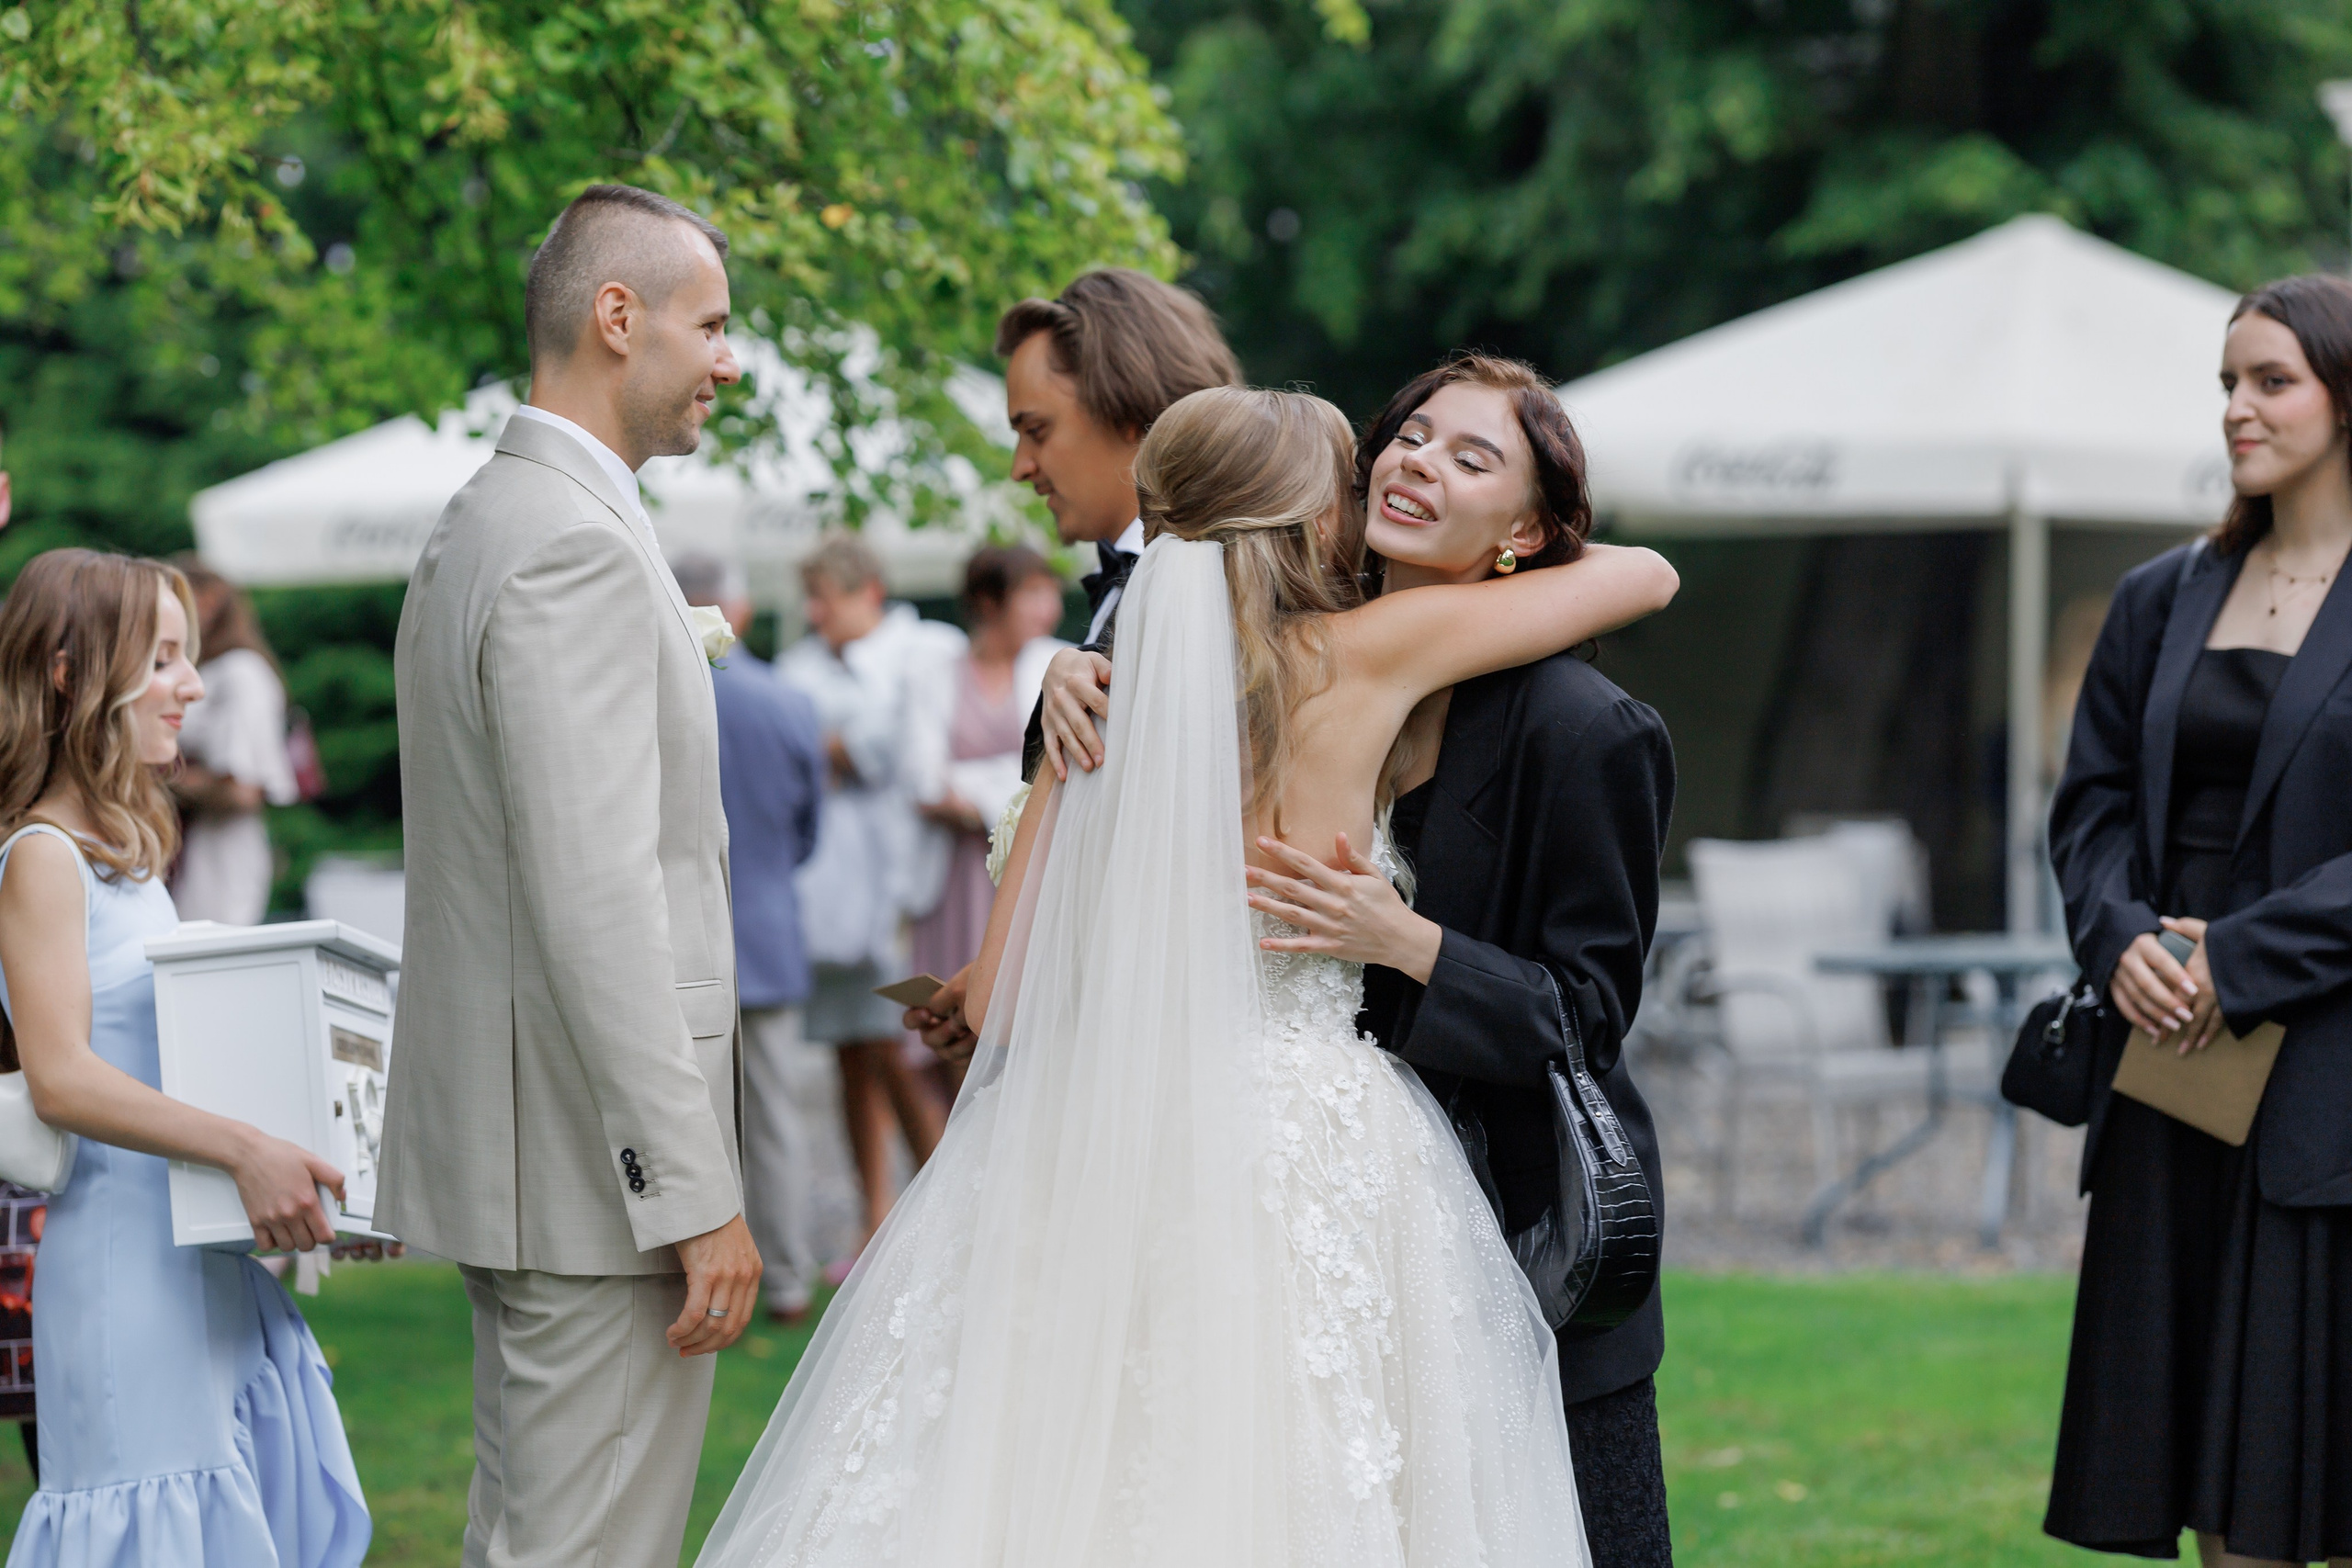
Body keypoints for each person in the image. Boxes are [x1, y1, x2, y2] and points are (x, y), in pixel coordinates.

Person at [693, 386, 1679, 1566]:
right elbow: (1644, 574)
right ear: (1316, 519)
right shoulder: (1363, 654)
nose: (1393, 476)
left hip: (1090, 1127)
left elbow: (994, 1001)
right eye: (1368, 468)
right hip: (1304, 1132)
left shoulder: (1096, 700)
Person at [1239, 354, 1677, 1568]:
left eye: (1471, 457)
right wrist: (1071, 675)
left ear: (1525, 534)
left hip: (1526, 1235)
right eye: (1412, 435)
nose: (1421, 462)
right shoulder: (1286, 665)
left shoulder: (1583, 732)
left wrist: (1406, 941)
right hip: (1324, 1236)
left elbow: (1588, 1015)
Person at [379, 184, 762, 1568]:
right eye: (710, 325)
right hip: (596, 1183)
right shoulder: (572, 544)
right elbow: (599, 900)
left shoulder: (490, 515)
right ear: (617, 316)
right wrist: (692, 1192)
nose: (730, 361)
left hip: (533, 1156)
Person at [2046, 273, 2352, 1568]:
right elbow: (2089, 804)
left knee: (2318, 1466)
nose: (2237, 407)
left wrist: (2244, 957)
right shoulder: (2160, 593)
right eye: (2227, 382)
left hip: (2332, 1080)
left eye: (2272, 380)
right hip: (2175, 1065)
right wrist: (2120, 937)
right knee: (2216, 1492)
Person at [0, 548, 368, 1566]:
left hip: (196, 1256)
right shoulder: (41, 856)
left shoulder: (127, 853)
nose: (194, 687)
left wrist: (328, 1171)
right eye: (163, 658)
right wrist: (246, 1151)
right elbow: (63, 1077)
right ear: (71, 672)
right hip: (122, 1267)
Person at [905, 269, 1241, 1057]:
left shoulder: (1217, 598)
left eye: (1036, 429)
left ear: (1130, 412)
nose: (1020, 465)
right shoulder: (1126, 592)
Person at [778, 535, 952, 1245]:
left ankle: (937, 1208)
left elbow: (891, 749)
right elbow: (795, 753)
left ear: (869, 591)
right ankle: (872, 1214)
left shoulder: (924, 650)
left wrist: (831, 745)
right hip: (827, 893)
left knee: (900, 1045)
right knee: (848, 1049)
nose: (815, 613)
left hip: (905, 882)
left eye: (827, 598)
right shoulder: (799, 664)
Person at [673, 554, 830, 1322]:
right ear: (737, 610)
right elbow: (809, 832)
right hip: (766, 928)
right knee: (775, 1116)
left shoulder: (652, 699)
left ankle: (690, 1276)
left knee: (685, 1114)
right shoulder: (790, 702)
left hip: (676, 940)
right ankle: (791, 1276)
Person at [906, 546, 1069, 1089]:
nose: (1048, 608)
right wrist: (1006, 783)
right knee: (942, 1024)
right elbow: (925, 783)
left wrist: (970, 786)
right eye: (1032, 593)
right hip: (949, 878)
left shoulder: (1058, 663)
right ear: (988, 601)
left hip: (1025, 872)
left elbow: (1056, 772)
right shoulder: (935, 674)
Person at [169, 560, 300, 925]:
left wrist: (158, 778)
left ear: (209, 601)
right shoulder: (211, 671)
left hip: (216, 856)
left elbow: (241, 791)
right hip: (188, 849)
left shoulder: (240, 674)